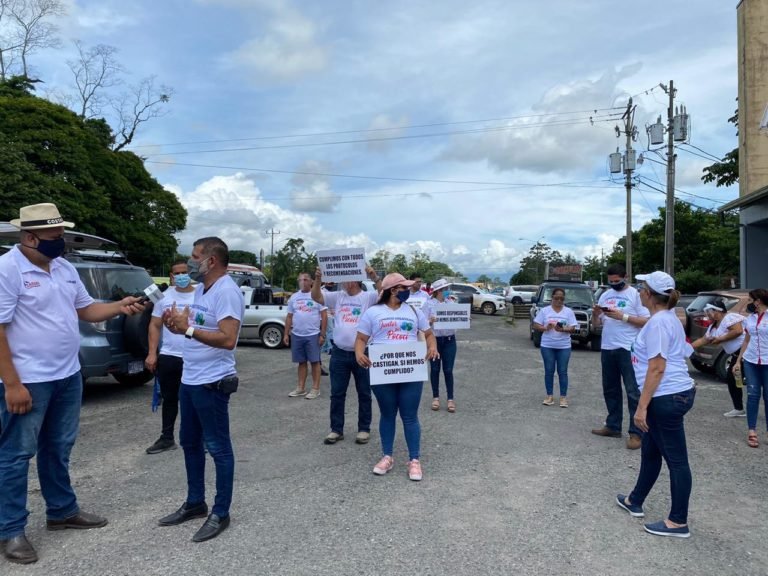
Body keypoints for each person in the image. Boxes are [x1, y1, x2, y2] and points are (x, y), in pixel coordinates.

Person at [0, 203, 145, 564]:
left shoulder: (63, 268)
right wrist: (12, 383)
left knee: (58, 448)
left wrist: (120, 306)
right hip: (29, 380)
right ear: (30, 237)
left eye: (61, 236)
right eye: (54, 237)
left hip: (67, 375)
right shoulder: (7, 270)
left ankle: (62, 512)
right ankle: (10, 530)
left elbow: (86, 309)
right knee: (16, 456)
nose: (61, 243)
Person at [158, 237, 244, 543]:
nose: (190, 262)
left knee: (218, 447)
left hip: (212, 382)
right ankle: (196, 502)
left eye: (195, 257)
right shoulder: (201, 289)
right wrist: (176, 324)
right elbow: (193, 327)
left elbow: (228, 338)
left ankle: (221, 512)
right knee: (189, 443)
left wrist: (189, 329)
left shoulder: (227, 291)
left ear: (212, 261)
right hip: (190, 378)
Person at [615, 271, 696, 538]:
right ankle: (634, 500)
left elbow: (658, 367)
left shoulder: (660, 322)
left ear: (649, 295)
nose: (638, 291)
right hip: (672, 394)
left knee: (677, 460)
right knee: (650, 449)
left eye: (641, 287)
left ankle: (677, 522)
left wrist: (641, 407)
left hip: (666, 397)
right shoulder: (666, 319)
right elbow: (686, 351)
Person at [355, 273, 439, 481]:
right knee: (388, 414)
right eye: (404, 288)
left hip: (410, 370)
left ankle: (414, 459)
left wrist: (432, 347)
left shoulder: (413, 310)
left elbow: (428, 334)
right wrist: (358, 353)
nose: (408, 291)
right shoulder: (373, 312)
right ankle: (387, 456)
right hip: (383, 370)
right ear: (393, 290)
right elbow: (361, 338)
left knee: (410, 415)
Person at [311, 266, 381, 445]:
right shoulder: (338, 297)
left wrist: (374, 276)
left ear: (355, 280)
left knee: (364, 392)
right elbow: (316, 297)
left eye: (346, 279)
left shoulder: (367, 297)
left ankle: (364, 428)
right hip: (340, 353)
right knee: (337, 393)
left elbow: (385, 292)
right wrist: (318, 279)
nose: (343, 282)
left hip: (363, 353)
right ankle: (336, 429)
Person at [591, 263, 650, 449]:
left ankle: (636, 433)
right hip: (608, 347)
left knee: (633, 391)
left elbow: (647, 321)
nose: (614, 284)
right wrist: (595, 315)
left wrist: (622, 317)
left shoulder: (635, 295)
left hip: (628, 348)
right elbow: (597, 324)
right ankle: (613, 425)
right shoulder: (606, 295)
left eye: (617, 281)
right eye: (610, 282)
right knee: (610, 388)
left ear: (625, 276)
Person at [144, 259, 197, 454]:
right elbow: (155, 325)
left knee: (196, 399)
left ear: (190, 273)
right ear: (171, 276)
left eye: (185, 272)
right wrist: (152, 353)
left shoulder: (200, 295)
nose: (181, 276)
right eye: (177, 273)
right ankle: (167, 438)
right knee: (169, 398)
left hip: (194, 356)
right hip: (169, 356)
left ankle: (201, 438)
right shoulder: (163, 297)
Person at [690, 298, 745, 418]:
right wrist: (687, 348)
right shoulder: (713, 326)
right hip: (736, 355)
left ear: (718, 311)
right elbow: (704, 340)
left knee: (749, 381)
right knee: (733, 380)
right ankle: (739, 408)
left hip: (746, 353)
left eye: (710, 311)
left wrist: (720, 339)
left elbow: (737, 331)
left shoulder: (729, 318)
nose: (708, 314)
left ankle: (740, 408)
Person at [284, 272, 328, 400]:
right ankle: (301, 388)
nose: (303, 282)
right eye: (300, 279)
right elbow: (289, 316)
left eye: (306, 279)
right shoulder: (294, 297)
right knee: (301, 362)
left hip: (313, 334)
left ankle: (315, 389)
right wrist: (286, 333)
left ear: (311, 282)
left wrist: (322, 334)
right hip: (297, 334)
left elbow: (324, 316)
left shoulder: (317, 296)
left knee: (315, 362)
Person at [532, 287, 578, 408]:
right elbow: (536, 324)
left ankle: (563, 398)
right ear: (551, 298)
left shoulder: (568, 312)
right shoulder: (545, 311)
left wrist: (562, 329)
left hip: (564, 346)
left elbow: (573, 328)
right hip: (547, 345)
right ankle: (549, 396)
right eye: (556, 298)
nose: (559, 300)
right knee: (549, 371)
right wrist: (545, 328)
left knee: (562, 371)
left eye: (561, 298)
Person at [734, 288, 768, 448]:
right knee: (753, 395)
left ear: (758, 301)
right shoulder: (750, 319)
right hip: (751, 360)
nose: (748, 302)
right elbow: (746, 341)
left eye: (750, 299)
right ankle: (752, 430)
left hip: (767, 362)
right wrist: (738, 361)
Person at [422, 278, 459, 412]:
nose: (447, 292)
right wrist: (430, 321)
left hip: (449, 340)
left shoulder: (452, 303)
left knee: (448, 370)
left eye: (447, 289)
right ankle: (435, 397)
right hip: (435, 341)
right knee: (435, 369)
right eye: (445, 290)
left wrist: (464, 318)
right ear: (438, 291)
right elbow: (422, 324)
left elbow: (459, 318)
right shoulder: (428, 304)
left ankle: (450, 399)